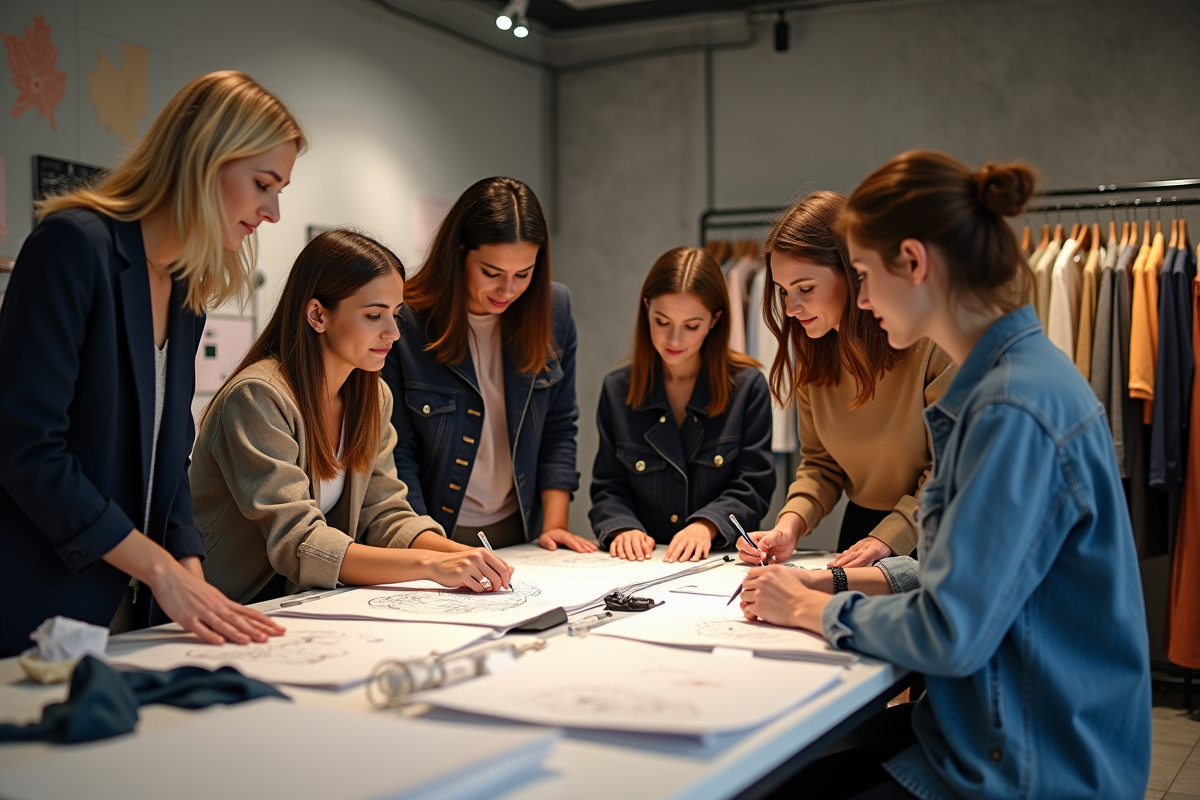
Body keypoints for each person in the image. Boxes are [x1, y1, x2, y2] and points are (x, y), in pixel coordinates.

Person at [738, 152, 1151, 799]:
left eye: (867, 275)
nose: (865, 299)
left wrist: (819, 608)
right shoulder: (1005, 384)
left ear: (915, 262)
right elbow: (954, 578)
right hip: (987, 723)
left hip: (1026, 759)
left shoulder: (1011, 409)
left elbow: (950, 632)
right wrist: (830, 579)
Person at [0, 71, 302, 655]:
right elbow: (27, 446)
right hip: (39, 598)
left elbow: (168, 454)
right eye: (264, 183)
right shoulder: (75, 246)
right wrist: (159, 569)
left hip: (130, 608)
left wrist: (187, 570)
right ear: (204, 158)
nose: (273, 212)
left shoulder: (186, 284)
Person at [193, 230, 514, 603]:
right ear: (317, 315)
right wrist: (431, 565)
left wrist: (459, 554)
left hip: (293, 603)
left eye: (396, 315)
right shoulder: (257, 396)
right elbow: (300, 540)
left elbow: (384, 514)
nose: (393, 333)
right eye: (374, 315)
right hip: (220, 605)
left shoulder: (373, 397)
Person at [741, 191, 955, 569]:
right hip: (862, 536)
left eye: (805, 289)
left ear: (854, 273)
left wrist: (892, 535)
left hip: (940, 532)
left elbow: (952, 466)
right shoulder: (815, 351)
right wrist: (789, 526)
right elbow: (821, 465)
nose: (790, 309)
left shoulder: (932, 344)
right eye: (783, 292)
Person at [381, 177, 594, 553]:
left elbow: (560, 425)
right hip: (431, 532)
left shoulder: (554, 310)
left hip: (519, 530)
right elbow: (397, 450)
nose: (507, 291)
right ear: (459, 252)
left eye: (523, 274)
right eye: (492, 273)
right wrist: (426, 549)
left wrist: (555, 525)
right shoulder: (406, 321)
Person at [589, 247, 774, 562]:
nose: (674, 339)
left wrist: (707, 524)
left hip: (718, 562)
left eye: (691, 326)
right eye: (662, 322)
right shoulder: (617, 389)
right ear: (646, 309)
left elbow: (754, 484)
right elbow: (608, 487)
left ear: (715, 320)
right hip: (640, 566)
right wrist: (622, 528)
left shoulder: (748, 387)